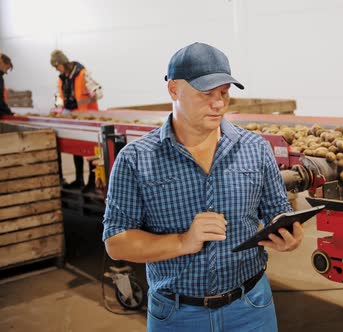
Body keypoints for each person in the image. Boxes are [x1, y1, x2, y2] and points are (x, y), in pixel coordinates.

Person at [102, 42, 304, 332]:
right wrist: (183, 241)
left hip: (251, 308)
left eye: (224, 93)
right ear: (173, 90)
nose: (219, 104)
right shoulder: (136, 159)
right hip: (177, 314)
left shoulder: (255, 149)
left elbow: (277, 210)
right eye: (206, 94)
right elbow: (116, 243)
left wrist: (287, 233)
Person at [50, 49, 103, 191]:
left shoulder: (82, 74)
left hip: (87, 117)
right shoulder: (62, 78)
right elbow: (60, 95)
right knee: (76, 149)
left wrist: (92, 94)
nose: (57, 70)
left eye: (57, 66)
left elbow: (98, 92)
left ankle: (92, 182)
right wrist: (59, 107)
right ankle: (79, 179)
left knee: (91, 151)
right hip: (72, 116)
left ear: (62, 62)